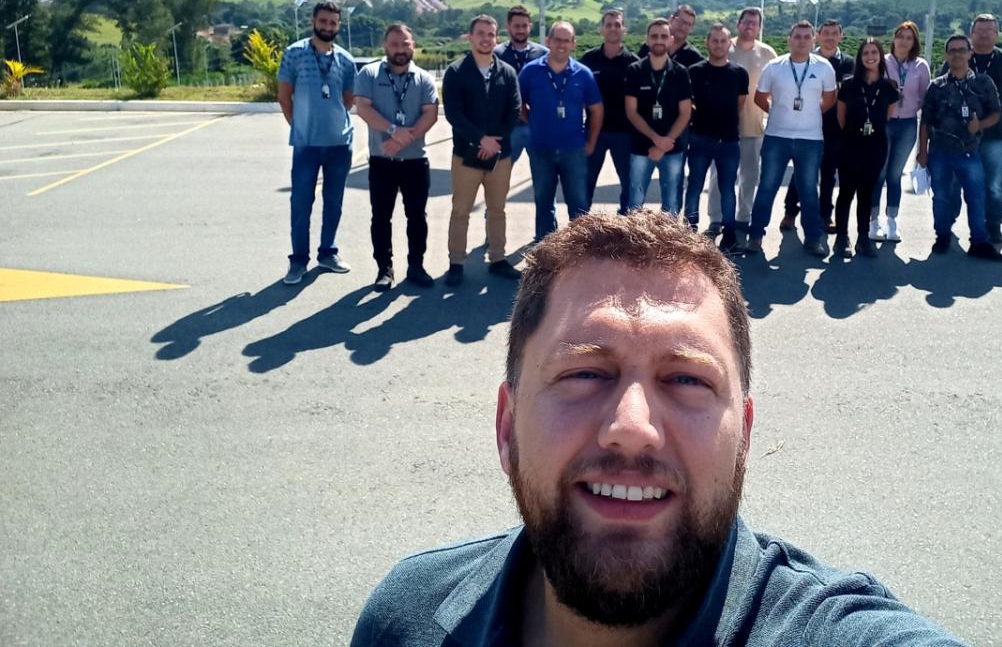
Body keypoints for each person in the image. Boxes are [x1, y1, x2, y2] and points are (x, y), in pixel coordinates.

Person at [351, 212, 968, 647]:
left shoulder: (829, 632)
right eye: (586, 372)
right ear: (506, 425)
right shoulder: (406, 617)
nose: (632, 429)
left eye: (688, 380)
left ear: (745, 438)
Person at [353, 24, 439, 290]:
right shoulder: (369, 73)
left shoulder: (424, 78)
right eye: (394, 45)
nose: (400, 50)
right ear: (385, 46)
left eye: (405, 44)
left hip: (415, 161)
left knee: (417, 216)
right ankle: (384, 269)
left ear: (413, 45)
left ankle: (416, 266)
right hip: (382, 161)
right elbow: (363, 108)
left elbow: (430, 113)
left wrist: (405, 138)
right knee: (381, 217)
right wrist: (392, 130)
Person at [277, 1, 357, 285]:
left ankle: (328, 253)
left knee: (333, 201)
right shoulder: (294, 54)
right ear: (314, 21)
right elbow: (284, 96)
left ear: (338, 25)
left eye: (333, 23)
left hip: (339, 143)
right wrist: (299, 126)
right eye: (323, 21)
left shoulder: (346, 60)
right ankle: (298, 260)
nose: (328, 27)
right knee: (301, 202)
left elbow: (348, 99)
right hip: (307, 144)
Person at [441, 14, 523, 286]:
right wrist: (480, 139)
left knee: (497, 209)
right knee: (460, 210)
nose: (486, 39)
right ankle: (456, 262)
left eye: (491, 34)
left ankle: (497, 258)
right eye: (481, 33)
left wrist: (494, 142)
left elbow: (513, 111)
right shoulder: (455, 72)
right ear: (470, 36)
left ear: (496, 37)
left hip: (501, 154)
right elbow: (454, 113)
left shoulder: (508, 72)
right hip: (466, 154)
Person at [745, 21, 838, 257]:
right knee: (767, 187)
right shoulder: (774, 67)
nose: (802, 40)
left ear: (813, 40)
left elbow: (829, 98)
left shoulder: (824, 67)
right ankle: (755, 236)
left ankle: (814, 238)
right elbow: (760, 97)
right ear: (789, 39)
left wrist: (811, 114)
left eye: (807, 37)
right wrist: (778, 112)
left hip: (810, 139)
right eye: (797, 36)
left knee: (808, 190)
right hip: (777, 136)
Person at [917, 35, 1002, 262]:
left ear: (970, 53)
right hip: (940, 153)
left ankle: (979, 241)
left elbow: (996, 113)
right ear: (946, 55)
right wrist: (923, 152)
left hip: (970, 152)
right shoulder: (936, 86)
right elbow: (925, 121)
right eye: (952, 51)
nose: (957, 54)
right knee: (941, 198)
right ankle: (943, 236)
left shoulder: (983, 83)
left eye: (961, 50)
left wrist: (980, 125)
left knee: (976, 197)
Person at [939, 14, 1002, 247]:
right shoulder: (957, 58)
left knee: (993, 184)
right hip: (959, 137)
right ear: (971, 33)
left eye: (989, 31)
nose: (984, 35)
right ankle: (949, 222)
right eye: (980, 31)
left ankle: (993, 226)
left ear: (997, 34)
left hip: (994, 136)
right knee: (955, 182)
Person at [518, 21, 603, 241]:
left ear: (574, 44)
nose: (562, 45)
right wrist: (533, 123)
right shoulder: (531, 71)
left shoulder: (583, 74)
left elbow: (596, 110)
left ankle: (579, 253)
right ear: (548, 41)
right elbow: (518, 104)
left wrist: (591, 142)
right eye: (558, 39)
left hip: (573, 150)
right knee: (544, 202)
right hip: (541, 150)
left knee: (578, 205)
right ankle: (546, 251)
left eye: (567, 40)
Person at [703, 7, 777, 241]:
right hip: (723, 130)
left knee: (749, 175)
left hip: (753, 127)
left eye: (754, 23)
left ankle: (743, 218)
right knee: (718, 177)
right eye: (746, 22)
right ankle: (715, 219)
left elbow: (777, 89)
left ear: (759, 27)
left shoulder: (767, 53)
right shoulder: (726, 47)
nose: (750, 27)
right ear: (738, 24)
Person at [781, 19, 853, 235]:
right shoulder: (808, 61)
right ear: (818, 37)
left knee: (829, 173)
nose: (830, 37)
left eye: (834, 33)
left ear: (841, 36)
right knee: (802, 171)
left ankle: (825, 215)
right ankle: (790, 213)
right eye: (826, 33)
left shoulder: (849, 64)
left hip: (835, 128)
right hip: (807, 124)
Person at [684, 23, 749, 253]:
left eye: (723, 41)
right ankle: (689, 234)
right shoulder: (694, 71)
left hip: (729, 142)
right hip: (700, 139)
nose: (719, 45)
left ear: (729, 43)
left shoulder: (740, 74)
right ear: (707, 43)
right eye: (715, 41)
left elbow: (739, 105)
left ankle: (729, 235)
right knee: (694, 187)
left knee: (728, 188)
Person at [832, 38, 899, 258]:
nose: (870, 56)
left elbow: (887, 116)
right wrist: (852, 133)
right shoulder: (849, 85)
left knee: (867, 193)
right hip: (850, 143)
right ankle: (842, 238)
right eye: (865, 53)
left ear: (881, 56)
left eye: (874, 52)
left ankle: (863, 238)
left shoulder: (889, 87)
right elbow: (841, 116)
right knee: (846, 192)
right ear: (860, 58)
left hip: (876, 145)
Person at [870, 20, 931, 243]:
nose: (904, 41)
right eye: (901, 36)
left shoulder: (920, 66)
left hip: (906, 125)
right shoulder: (882, 62)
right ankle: (873, 222)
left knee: (895, 175)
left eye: (909, 37)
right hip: (884, 123)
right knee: (879, 173)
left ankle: (892, 221)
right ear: (893, 38)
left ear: (914, 41)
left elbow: (926, 98)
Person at [625, 18, 693, 213]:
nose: (659, 40)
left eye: (664, 36)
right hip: (641, 148)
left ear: (671, 40)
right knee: (635, 201)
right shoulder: (635, 70)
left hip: (672, 149)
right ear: (647, 40)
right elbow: (631, 111)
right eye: (654, 36)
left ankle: (669, 244)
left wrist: (666, 142)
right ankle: (634, 243)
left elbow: (685, 112)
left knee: (671, 203)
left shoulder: (680, 73)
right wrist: (656, 140)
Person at [581, 10, 638, 212]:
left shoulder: (634, 63)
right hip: (594, 133)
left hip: (624, 133)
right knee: (584, 184)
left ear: (624, 30)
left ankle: (627, 226)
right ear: (601, 29)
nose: (613, 28)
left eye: (617, 24)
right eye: (609, 24)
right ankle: (580, 230)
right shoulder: (588, 60)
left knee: (629, 185)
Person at [497, 5, 548, 166]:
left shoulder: (544, 54)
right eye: (516, 26)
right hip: (507, 128)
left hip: (538, 127)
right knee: (500, 177)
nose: (521, 30)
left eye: (524, 26)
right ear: (508, 26)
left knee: (543, 177)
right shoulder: (496, 54)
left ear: (530, 26)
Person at [638, 4, 704, 68]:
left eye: (688, 24)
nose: (683, 27)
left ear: (692, 29)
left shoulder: (695, 57)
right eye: (680, 21)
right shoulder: (649, 47)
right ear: (671, 19)